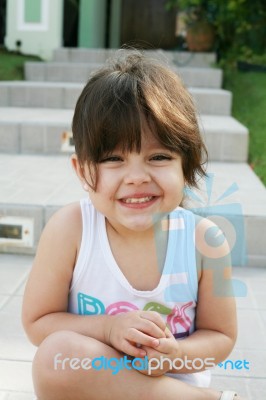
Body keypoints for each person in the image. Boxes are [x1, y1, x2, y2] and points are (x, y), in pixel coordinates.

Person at [22, 50, 244, 400]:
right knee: (55, 356)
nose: (137, 177)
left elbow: (221, 336)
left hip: (170, 391)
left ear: (186, 164)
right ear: (82, 170)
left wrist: (175, 355)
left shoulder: (205, 241)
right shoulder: (71, 229)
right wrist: (108, 328)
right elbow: (39, 323)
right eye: (113, 159)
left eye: (158, 157)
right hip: (93, 386)